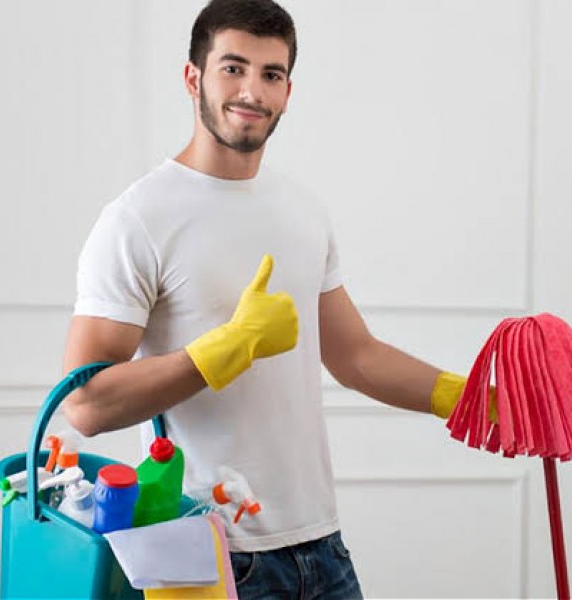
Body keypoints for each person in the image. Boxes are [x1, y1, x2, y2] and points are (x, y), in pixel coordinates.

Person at [63, 0, 473, 597]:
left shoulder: (302, 211)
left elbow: (356, 356)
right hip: (211, 555)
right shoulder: (138, 219)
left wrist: (462, 398)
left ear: (287, 90)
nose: (251, 90)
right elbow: (87, 405)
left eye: (271, 74)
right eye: (233, 67)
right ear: (193, 77)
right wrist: (229, 347)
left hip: (322, 549)